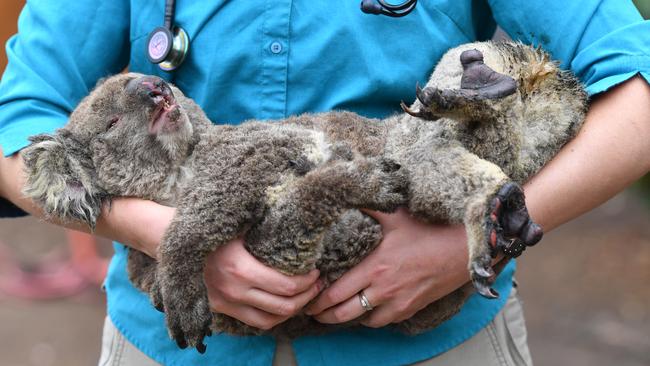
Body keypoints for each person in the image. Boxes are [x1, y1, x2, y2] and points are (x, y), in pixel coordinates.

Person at [0, 1, 648, 365]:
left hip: (429, 339)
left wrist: (465, 248)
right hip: (180, 345)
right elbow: (16, 127)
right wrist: (172, 238)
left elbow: (638, 100)